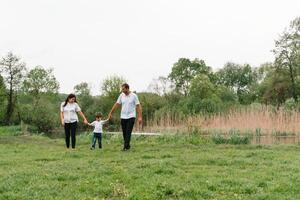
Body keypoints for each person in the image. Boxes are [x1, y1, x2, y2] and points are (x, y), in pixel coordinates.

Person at [108, 83, 142, 151]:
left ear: (127, 88)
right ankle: (127, 146)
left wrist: (140, 117)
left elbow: (138, 106)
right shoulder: (121, 96)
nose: (122, 90)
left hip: (131, 116)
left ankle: (125, 147)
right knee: (124, 132)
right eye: (122, 89)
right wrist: (110, 113)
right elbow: (117, 104)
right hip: (123, 116)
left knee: (128, 132)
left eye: (123, 89)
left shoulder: (134, 96)